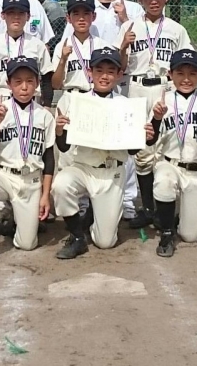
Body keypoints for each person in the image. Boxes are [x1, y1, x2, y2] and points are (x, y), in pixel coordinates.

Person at [59, 0, 145, 219]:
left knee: (120, 143)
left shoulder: (133, 9)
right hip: (84, 87)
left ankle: (127, 202)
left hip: (118, 80)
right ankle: (82, 203)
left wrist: (124, 19)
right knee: (82, 149)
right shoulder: (86, 6)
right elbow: (67, 49)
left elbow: (138, 46)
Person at [51, 48, 156, 259]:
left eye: (110, 71)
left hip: (111, 173)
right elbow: (63, 147)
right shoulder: (77, 101)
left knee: (105, 242)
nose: (104, 76)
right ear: (89, 72)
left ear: (119, 75)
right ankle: (77, 237)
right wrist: (60, 130)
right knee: (61, 185)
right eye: (99, 70)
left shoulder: (126, 106)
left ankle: (94, 214)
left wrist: (143, 137)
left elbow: (132, 151)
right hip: (84, 168)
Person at [116, 0, 193, 229]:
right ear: (140, 0)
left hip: (164, 87)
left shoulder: (176, 29)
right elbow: (119, 67)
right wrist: (123, 47)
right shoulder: (129, 27)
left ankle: (166, 209)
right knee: (142, 151)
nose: (153, 0)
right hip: (136, 87)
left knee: (167, 147)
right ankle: (148, 209)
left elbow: (187, 62)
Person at [0, 57, 56, 267]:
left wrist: (45, 195)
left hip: (31, 180)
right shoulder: (1, 110)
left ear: (37, 83)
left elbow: (49, 159)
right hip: (5, 175)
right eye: (18, 81)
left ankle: (16, 219)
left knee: (27, 244)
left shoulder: (45, 116)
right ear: (9, 84)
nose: (24, 87)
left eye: (29, 81)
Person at [145, 49, 197, 257]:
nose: (186, 79)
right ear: (170, 75)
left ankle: (181, 213)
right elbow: (150, 140)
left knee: (190, 236)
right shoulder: (162, 100)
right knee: (163, 181)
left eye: (192, 73)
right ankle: (166, 232)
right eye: (180, 73)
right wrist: (156, 118)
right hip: (169, 163)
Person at [0, 0, 53, 117]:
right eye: (11, 13)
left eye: (21, 13)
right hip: (1, 100)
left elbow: (46, 77)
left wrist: (47, 105)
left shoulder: (37, 45)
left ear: (28, 16)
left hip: (30, 101)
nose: (16, 17)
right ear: (3, 15)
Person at [51, 0, 105, 93]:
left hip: (95, 95)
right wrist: (63, 60)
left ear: (94, 16)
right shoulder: (62, 46)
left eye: (86, 13)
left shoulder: (102, 46)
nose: (81, 18)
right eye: (76, 14)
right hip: (71, 95)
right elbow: (55, 85)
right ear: (68, 18)